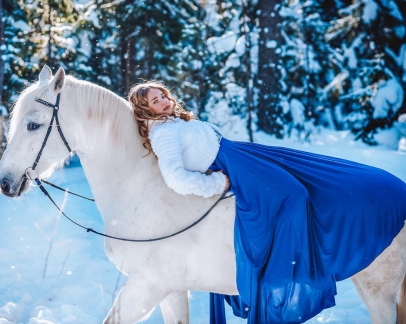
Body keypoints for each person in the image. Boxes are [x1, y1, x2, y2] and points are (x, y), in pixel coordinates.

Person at [128, 81, 406, 323]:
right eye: (155, 100)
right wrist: (215, 184)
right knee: (293, 195)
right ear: (145, 110)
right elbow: (175, 177)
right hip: (235, 167)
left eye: (163, 95)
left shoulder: (173, 122)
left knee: (303, 173)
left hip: (241, 156)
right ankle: (296, 268)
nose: (164, 101)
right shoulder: (163, 133)